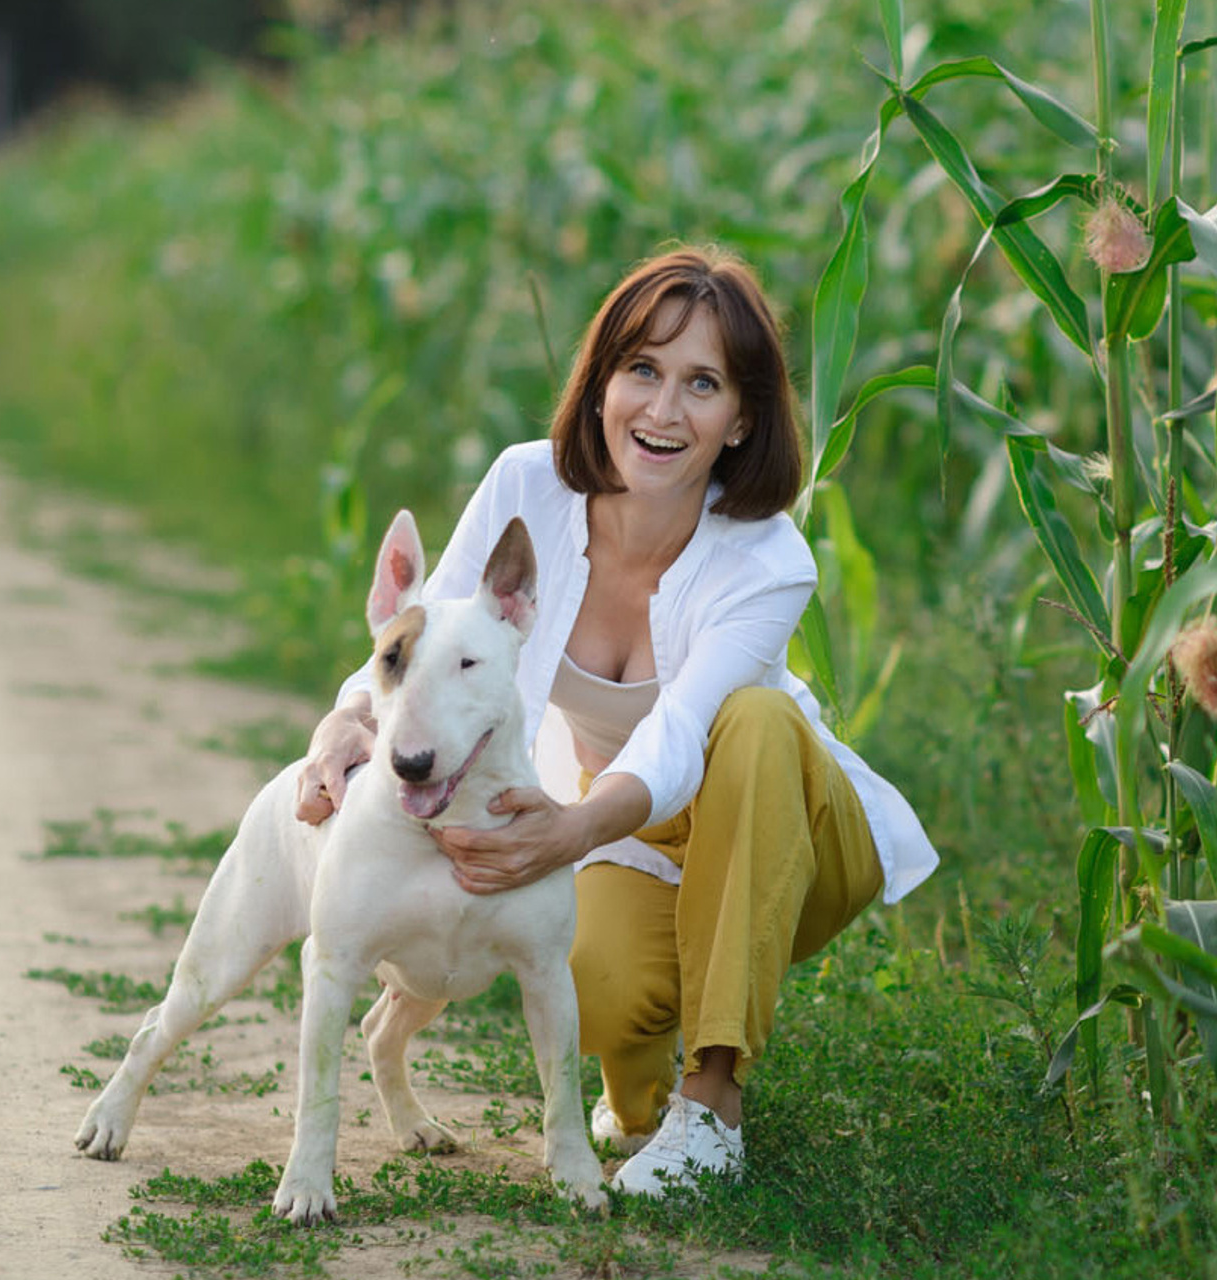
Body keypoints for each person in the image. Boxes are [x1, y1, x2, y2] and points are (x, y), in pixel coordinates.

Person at [294, 246, 938, 1197]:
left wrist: (564, 836)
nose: (663, 411)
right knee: (586, 990)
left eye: (702, 384)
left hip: (781, 818)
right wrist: (348, 717)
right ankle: (642, 1102)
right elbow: (424, 633)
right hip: (628, 828)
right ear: (601, 382)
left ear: (741, 418)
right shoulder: (525, 486)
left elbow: (681, 736)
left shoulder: (769, 558)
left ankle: (713, 1105)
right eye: (642, 370)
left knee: (754, 720)